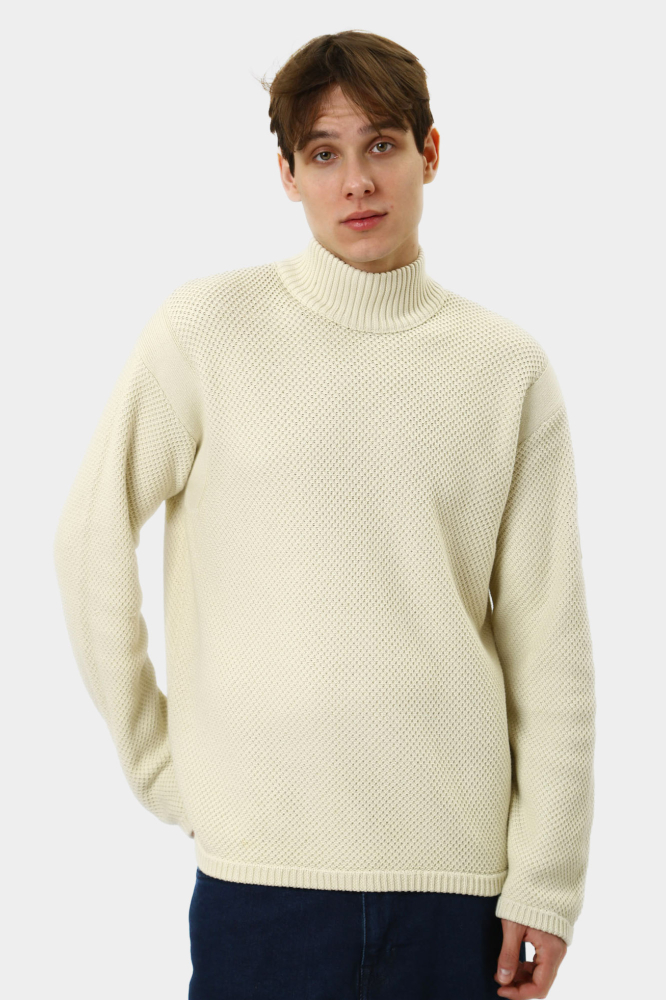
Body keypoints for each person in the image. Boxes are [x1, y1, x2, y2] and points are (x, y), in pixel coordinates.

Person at [53, 29, 596, 1000]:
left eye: (382, 144)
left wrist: (546, 882)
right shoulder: (207, 332)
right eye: (324, 153)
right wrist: (161, 766)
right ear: (288, 174)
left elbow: (548, 640)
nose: (357, 182)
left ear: (431, 152)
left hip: (455, 884)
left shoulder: (505, 369)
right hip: (261, 878)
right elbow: (89, 537)